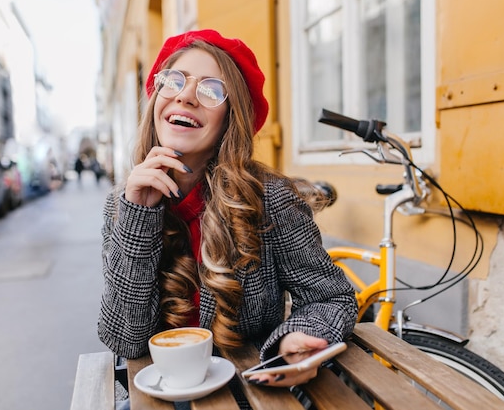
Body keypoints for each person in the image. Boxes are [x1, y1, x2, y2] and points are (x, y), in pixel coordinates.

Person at [98, 29, 358, 408]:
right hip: (158, 397)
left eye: (210, 90)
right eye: (174, 80)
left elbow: (332, 297)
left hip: (249, 393)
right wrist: (139, 215)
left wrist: (294, 338)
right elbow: (125, 340)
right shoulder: (120, 204)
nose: (185, 95)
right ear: (156, 99)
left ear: (230, 118)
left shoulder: (270, 199)